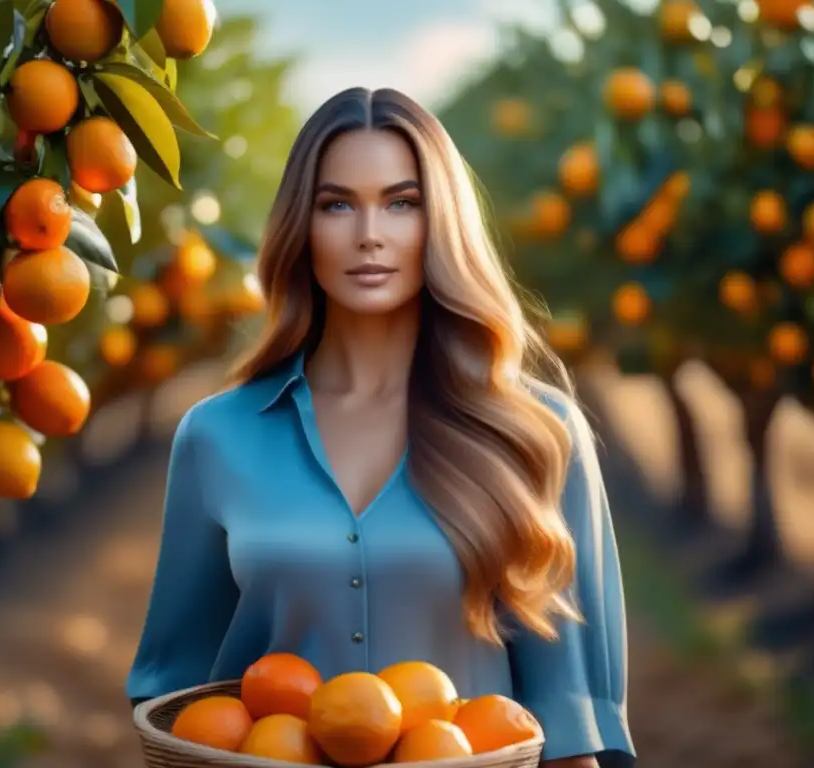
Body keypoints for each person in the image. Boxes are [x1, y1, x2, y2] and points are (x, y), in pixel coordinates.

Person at [127, 87, 635, 768]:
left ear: (442, 224)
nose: (370, 233)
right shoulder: (217, 436)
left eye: (402, 202)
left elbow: (573, 729)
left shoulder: (538, 431)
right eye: (337, 204)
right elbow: (176, 703)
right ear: (300, 229)